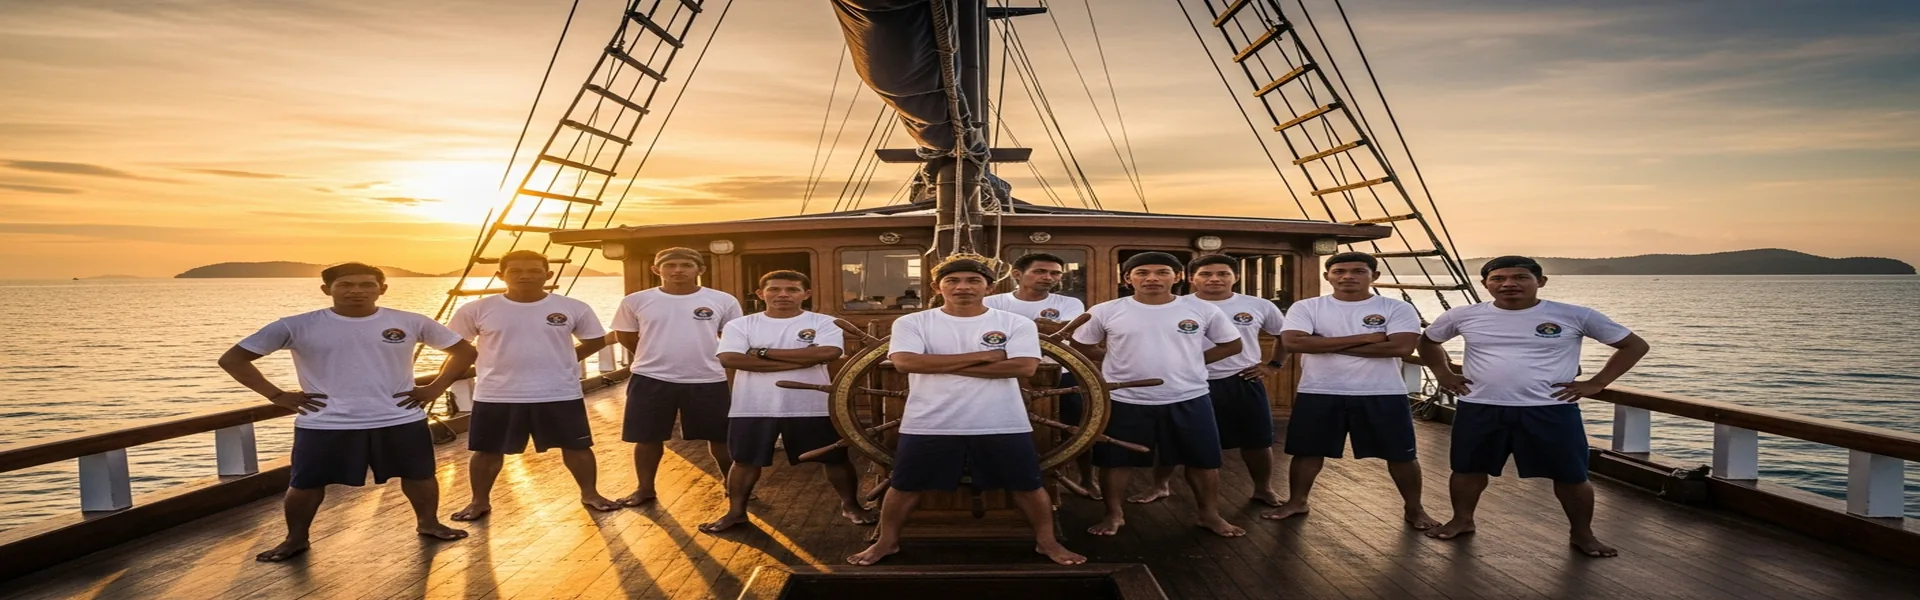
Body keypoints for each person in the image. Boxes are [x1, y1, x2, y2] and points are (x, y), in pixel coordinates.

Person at [218, 262, 477, 562]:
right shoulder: (295, 326)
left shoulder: (409, 321)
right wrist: (277, 395)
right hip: (325, 421)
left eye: (367, 285)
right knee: (305, 483)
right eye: (345, 285)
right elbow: (233, 359)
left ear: (382, 289)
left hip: (399, 417)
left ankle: (429, 523)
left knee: (419, 475)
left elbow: (465, 352)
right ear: (326, 289)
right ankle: (295, 538)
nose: (356, 291)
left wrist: (435, 387)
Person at [848, 255, 1084, 566]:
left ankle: (1047, 542)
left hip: (1002, 421)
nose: (963, 287)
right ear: (937, 287)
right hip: (929, 422)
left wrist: (938, 364)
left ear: (990, 287)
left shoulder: (1016, 323)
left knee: (1027, 485)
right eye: (953, 281)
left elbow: (1024, 367)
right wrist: (985, 356)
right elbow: (906, 362)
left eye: (973, 280)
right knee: (905, 485)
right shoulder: (912, 322)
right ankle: (886, 542)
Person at [1417, 255, 1650, 558]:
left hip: (1550, 408)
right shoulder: (1463, 315)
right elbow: (1428, 341)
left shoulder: (1575, 315)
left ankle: (1583, 533)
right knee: (1467, 468)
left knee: (1571, 475)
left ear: (1540, 281)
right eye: (1498, 278)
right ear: (1485, 284)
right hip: (1480, 405)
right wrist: (1443, 374)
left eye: (1520, 277)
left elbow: (1634, 346)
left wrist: (1597, 383)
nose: (1509, 284)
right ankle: (1462, 520)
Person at [1071, 252, 1246, 538]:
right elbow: (1080, 345)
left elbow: (1232, 345)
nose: (1152, 278)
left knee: (1203, 460)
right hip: (1126, 399)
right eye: (1142, 273)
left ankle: (1210, 515)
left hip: (1189, 396)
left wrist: (1191, 361)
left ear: (1177, 277)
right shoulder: (1106, 310)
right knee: (1115, 460)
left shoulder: (1202, 310)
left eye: (1162, 272)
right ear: (1127, 279)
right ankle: (1113, 515)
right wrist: (1112, 357)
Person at [1261, 252, 1437, 528]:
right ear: (1327, 276)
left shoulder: (1396, 308)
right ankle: (1297, 501)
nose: (1347, 276)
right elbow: (1295, 343)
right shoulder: (1307, 307)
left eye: (1358, 271)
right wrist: (1367, 338)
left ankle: (1414, 509)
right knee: (1307, 451)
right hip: (1319, 391)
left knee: (1401, 454)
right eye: (1339, 271)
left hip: (1383, 392)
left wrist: (1324, 343)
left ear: (1374, 276)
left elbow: (1401, 347)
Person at [446, 250, 617, 521]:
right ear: (500, 275)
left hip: (558, 391)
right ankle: (479, 501)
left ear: (548, 275)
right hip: (497, 394)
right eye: (515, 271)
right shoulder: (476, 309)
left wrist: (565, 358)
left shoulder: (573, 307)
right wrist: (437, 385)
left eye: (534, 271)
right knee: (487, 450)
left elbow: (594, 340)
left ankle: (590, 493)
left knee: (577, 447)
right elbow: (455, 345)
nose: (525, 276)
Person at [701, 270, 874, 533]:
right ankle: (736, 512)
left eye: (792, 289)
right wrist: (801, 359)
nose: (783, 294)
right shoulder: (741, 325)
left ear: (806, 294)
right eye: (774, 289)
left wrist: (761, 353)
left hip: (811, 405)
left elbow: (828, 352)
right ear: (760, 294)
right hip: (753, 406)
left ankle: (851, 506)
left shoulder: (825, 322)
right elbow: (730, 359)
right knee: (744, 460)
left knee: (835, 458)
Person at [1131, 255, 1288, 507]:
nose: (1214, 279)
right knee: (1172, 439)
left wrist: (1274, 365)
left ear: (1236, 277)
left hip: (1241, 380)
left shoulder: (1259, 305)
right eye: (1205, 274)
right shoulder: (1174, 305)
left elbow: (1284, 336)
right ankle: (1159, 485)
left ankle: (1263, 489)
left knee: (1256, 439)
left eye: (1223, 274)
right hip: (1186, 383)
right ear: (1191, 278)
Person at [610, 247, 743, 506]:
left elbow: (732, 337)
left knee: (720, 437)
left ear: (700, 270)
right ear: (656, 269)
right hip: (650, 378)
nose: (678, 270)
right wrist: (653, 355)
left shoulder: (722, 300)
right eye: (670, 265)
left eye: (686, 265)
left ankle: (733, 485)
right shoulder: (636, 301)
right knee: (647, 437)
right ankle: (644, 489)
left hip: (707, 378)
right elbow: (625, 335)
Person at [984, 252, 1097, 497]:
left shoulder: (1070, 303)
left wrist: (1013, 330)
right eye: (1040, 271)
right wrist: (1041, 327)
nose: (1048, 277)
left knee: (1080, 426)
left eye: (1055, 273)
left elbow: (1068, 332)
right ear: (1017, 274)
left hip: (1061, 373)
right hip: (1009, 374)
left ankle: (1088, 478)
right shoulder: (993, 302)